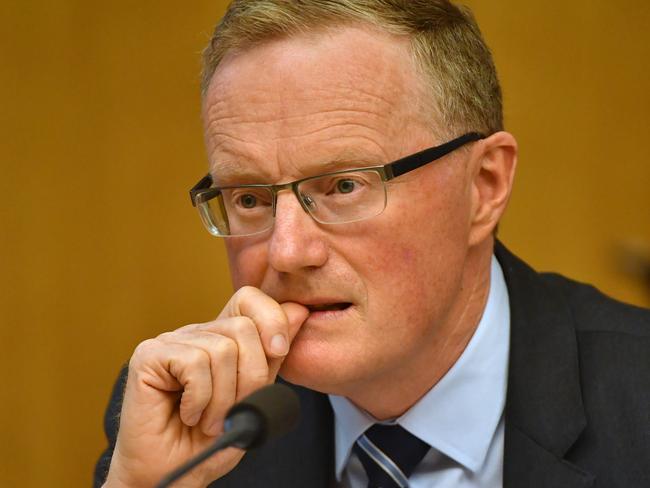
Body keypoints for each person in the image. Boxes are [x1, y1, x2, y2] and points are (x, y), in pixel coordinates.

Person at [95, 1, 650, 487]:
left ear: (484, 187)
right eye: (248, 198)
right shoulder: (199, 420)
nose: (286, 252)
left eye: (343, 186)